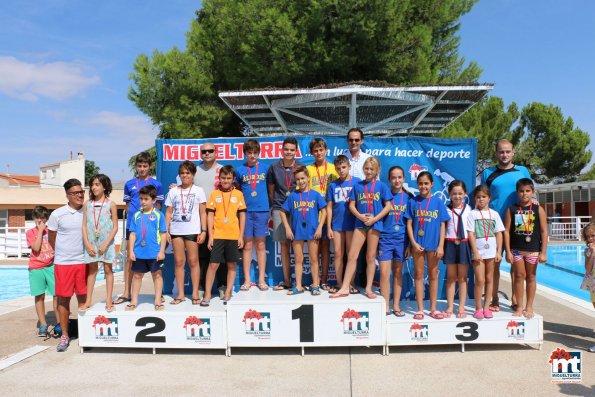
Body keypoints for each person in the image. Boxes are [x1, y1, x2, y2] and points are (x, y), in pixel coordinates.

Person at [481, 139, 532, 312]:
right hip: (493, 224)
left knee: (516, 265)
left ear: (513, 152)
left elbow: (530, 196)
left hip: (519, 223)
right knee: (493, 264)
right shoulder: (488, 173)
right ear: (496, 153)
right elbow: (482, 197)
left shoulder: (523, 171)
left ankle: (516, 297)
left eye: (508, 151)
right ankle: (494, 298)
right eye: (501, 152)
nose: (505, 155)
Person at [331, 157, 391, 299]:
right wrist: (360, 216)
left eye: (371, 169)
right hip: (360, 224)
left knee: (370, 257)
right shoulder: (358, 185)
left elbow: (388, 206)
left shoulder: (381, 186)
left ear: (376, 170)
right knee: (352, 255)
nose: (368, 171)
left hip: (375, 224)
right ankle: (345, 287)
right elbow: (351, 205)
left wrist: (375, 219)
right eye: (366, 168)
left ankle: (368, 288)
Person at [116, 151, 163, 305]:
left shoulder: (157, 184)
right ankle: (126, 292)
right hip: (133, 225)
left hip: (150, 226)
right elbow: (128, 206)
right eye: (139, 166)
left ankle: (158, 295)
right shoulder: (129, 184)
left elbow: (159, 207)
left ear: (150, 167)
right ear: (136, 167)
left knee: (155, 261)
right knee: (130, 259)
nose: (142, 169)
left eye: (145, 166)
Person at [404, 171, 450, 319]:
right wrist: (413, 243)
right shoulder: (413, 202)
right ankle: (420, 309)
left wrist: (441, 245)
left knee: (433, 275)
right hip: (417, 244)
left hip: (434, 244)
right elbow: (409, 224)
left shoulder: (438, 202)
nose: (423, 186)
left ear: (432, 184)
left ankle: (433, 308)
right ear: (417, 185)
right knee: (418, 275)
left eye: (426, 183)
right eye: (420, 183)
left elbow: (443, 225)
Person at [47, 178, 85, 352]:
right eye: (76, 192)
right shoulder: (57, 214)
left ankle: (86, 334)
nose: (80, 195)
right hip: (63, 264)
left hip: (83, 262)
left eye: (81, 191)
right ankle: (64, 335)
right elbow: (52, 237)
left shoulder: (88, 211)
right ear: (67, 195)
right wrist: (62, 253)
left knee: (84, 299)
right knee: (64, 300)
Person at [503, 178, 548, 319]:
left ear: (533, 192)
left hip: (533, 249)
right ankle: (519, 306)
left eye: (528, 191)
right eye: (521, 191)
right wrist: (508, 251)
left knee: (531, 277)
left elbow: (544, 231)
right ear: (517, 192)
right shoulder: (512, 209)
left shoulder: (538, 209)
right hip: (516, 249)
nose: (524, 194)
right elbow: (506, 231)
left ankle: (529, 306)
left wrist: (544, 252)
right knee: (518, 276)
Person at [202, 165, 246, 306]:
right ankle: (208, 293)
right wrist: (211, 235)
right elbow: (209, 215)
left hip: (233, 235)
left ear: (233, 179)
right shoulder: (214, 194)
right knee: (213, 264)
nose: (225, 181)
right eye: (223, 178)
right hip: (218, 235)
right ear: (219, 179)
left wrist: (241, 236)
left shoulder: (238, 194)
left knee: (232, 265)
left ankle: (228, 292)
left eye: (228, 178)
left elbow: (242, 215)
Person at [280, 166, 327, 296]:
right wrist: (288, 228)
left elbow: (324, 211)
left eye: (302, 178)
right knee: (298, 259)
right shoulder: (293, 196)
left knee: (314, 259)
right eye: (297, 179)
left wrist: (319, 227)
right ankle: (299, 286)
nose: (300, 181)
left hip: (313, 231)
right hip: (297, 231)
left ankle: (315, 285)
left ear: (308, 178)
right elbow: (282, 212)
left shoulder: (315, 195)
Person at [165, 160, 207, 305]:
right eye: (182, 173)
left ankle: (195, 293)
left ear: (193, 174)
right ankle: (181, 294)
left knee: (194, 261)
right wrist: (167, 230)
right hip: (176, 231)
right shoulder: (173, 191)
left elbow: (203, 213)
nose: (184, 175)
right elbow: (168, 212)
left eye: (187, 173)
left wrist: (204, 230)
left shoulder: (198, 191)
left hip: (193, 231)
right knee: (178, 262)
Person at [266, 137, 305, 291]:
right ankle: (287, 281)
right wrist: (277, 204)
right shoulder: (274, 167)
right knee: (284, 246)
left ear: (296, 151)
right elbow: (271, 190)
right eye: (286, 149)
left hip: (298, 208)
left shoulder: (301, 166)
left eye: (292, 150)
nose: (289, 152)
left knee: (297, 245)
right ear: (282, 150)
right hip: (279, 207)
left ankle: (300, 282)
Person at [235, 139, 269, 292]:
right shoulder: (239, 170)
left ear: (258, 153)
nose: (252, 156)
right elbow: (236, 190)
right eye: (249, 153)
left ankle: (261, 279)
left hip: (262, 210)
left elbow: (270, 188)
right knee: (247, 246)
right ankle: (247, 280)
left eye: (255, 153)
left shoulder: (265, 169)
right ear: (245, 154)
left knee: (261, 245)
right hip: (246, 211)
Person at [466, 185, 505, 320]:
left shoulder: (494, 214)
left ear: (489, 198)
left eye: (484, 197)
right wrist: (475, 252)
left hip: (492, 252)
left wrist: (499, 251)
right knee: (480, 280)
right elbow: (470, 234)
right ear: (475, 199)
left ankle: (486, 307)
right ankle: (478, 307)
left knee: (490, 280)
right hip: (479, 253)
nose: (481, 199)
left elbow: (499, 233)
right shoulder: (473, 214)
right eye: (478, 197)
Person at [377, 166, 412, 316]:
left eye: (399, 177)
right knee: (384, 274)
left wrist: (410, 244)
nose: (397, 180)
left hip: (402, 239)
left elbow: (413, 222)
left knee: (397, 272)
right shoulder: (384, 195)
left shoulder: (409, 197)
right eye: (393, 178)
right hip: (385, 238)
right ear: (389, 179)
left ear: (404, 178)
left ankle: (396, 306)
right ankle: (385, 305)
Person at [126, 185, 167, 311]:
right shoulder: (136, 215)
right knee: (137, 276)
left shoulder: (159, 215)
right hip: (139, 252)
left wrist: (161, 251)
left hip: (154, 253)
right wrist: (131, 250)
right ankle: (134, 300)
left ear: (154, 200)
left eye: (146, 199)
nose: (143, 201)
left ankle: (158, 300)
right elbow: (132, 234)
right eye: (141, 198)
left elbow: (163, 234)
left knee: (157, 275)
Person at [82, 174, 118, 311]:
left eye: (97, 184)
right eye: (92, 184)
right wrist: (87, 243)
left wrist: (105, 244)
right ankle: (88, 300)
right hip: (91, 242)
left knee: (108, 270)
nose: (94, 187)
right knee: (92, 271)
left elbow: (115, 227)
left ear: (104, 187)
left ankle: (109, 300)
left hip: (106, 243)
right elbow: (84, 225)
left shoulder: (111, 204)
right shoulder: (87, 204)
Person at [193, 142, 225, 293]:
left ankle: (222, 285)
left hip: (220, 218)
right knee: (202, 254)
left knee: (220, 254)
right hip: (200, 218)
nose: (207, 153)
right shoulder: (195, 171)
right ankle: (201, 286)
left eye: (210, 151)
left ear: (216, 152)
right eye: (204, 151)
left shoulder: (222, 170)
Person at [307, 138, 338, 291]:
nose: (318, 153)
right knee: (314, 248)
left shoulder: (334, 168)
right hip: (313, 214)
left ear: (326, 150)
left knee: (325, 247)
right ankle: (315, 281)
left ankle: (324, 280)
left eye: (321, 150)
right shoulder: (308, 169)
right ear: (312, 153)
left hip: (330, 213)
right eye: (315, 150)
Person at [326, 155, 360, 294]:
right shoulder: (333, 185)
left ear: (349, 167)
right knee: (338, 253)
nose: (341, 170)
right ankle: (340, 284)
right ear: (335, 169)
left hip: (352, 223)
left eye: (344, 167)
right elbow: (329, 207)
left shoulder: (357, 182)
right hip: (337, 224)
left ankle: (350, 284)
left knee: (351, 254)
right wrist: (328, 226)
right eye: (338, 168)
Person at [26, 206, 59, 337]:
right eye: (37, 218)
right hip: (36, 268)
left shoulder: (51, 231)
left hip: (51, 266)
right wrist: (40, 231)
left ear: (47, 219)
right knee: (39, 296)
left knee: (57, 295)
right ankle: (43, 324)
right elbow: (36, 248)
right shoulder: (30, 232)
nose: (40, 220)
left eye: (43, 218)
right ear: (34, 219)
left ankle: (59, 323)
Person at [443, 180, 473, 319]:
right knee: (450, 277)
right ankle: (450, 306)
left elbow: (471, 229)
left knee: (462, 278)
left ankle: (461, 307)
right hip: (449, 243)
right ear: (449, 194)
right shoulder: (446, 209)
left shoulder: (469, 209)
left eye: (460, 193)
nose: (457, 196)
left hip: (464, 243)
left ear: (465, 194)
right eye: (454, 193)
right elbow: (443, 228)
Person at [580, 223, 595, 353]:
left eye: (593, 235)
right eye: (588, 236)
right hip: (593, 285)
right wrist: (593, 253)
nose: (590, 239)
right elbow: (588, 269)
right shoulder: (587, 251)